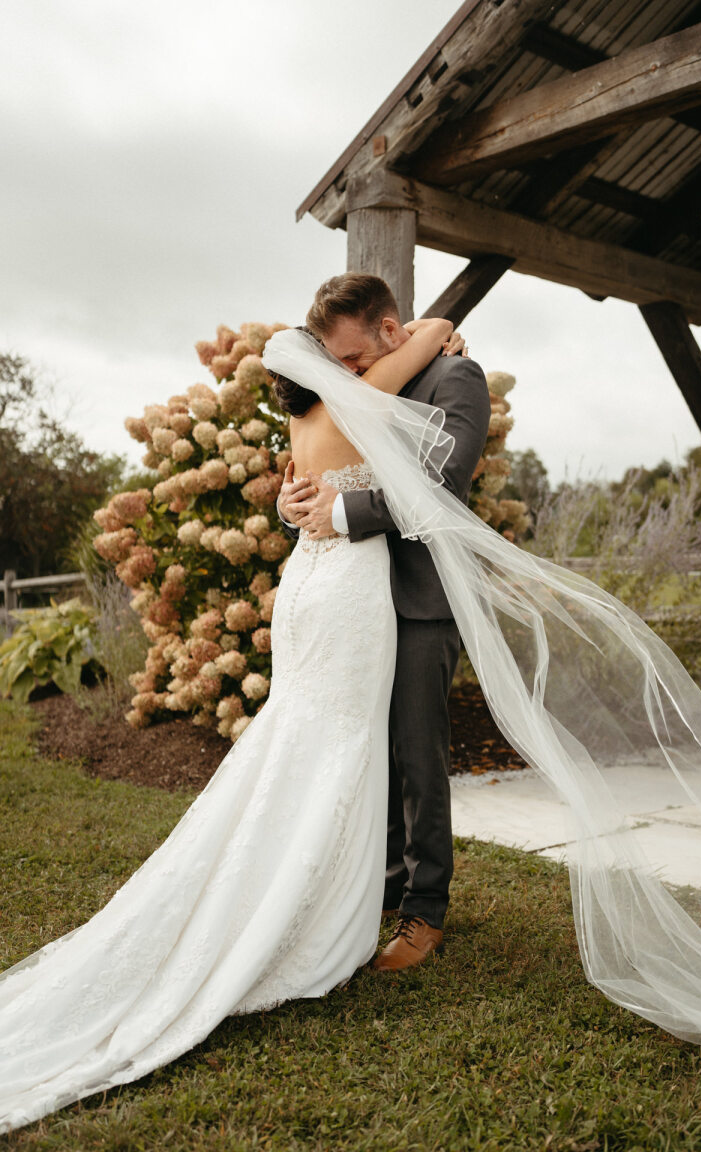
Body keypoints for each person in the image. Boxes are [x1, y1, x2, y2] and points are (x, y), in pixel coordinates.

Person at [0, 311, 465, 1134]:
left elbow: (429, 477)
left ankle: (371, 893)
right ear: (324, 366)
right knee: (342, 747)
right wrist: (439, 326)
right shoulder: (351, 398)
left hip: (321, 590)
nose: (353, 366)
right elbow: (418, 347)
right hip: (346, 594)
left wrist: (303, 501)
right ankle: (327, 904)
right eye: (341, 358)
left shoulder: (311, 412)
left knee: (321, 743)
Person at [277, 274, 490, 972]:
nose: (344, 377)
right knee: (367, 752)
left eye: (353, 361)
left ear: (391, 333)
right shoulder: (363, 387)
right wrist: (299, 501)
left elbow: (440, 489)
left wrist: (342, 515)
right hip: (352, 602)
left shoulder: (457, 378)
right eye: (334, 364)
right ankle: (380, 888)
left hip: (421, 600)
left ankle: (424, 913)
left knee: (418, 759)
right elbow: (324, 461)